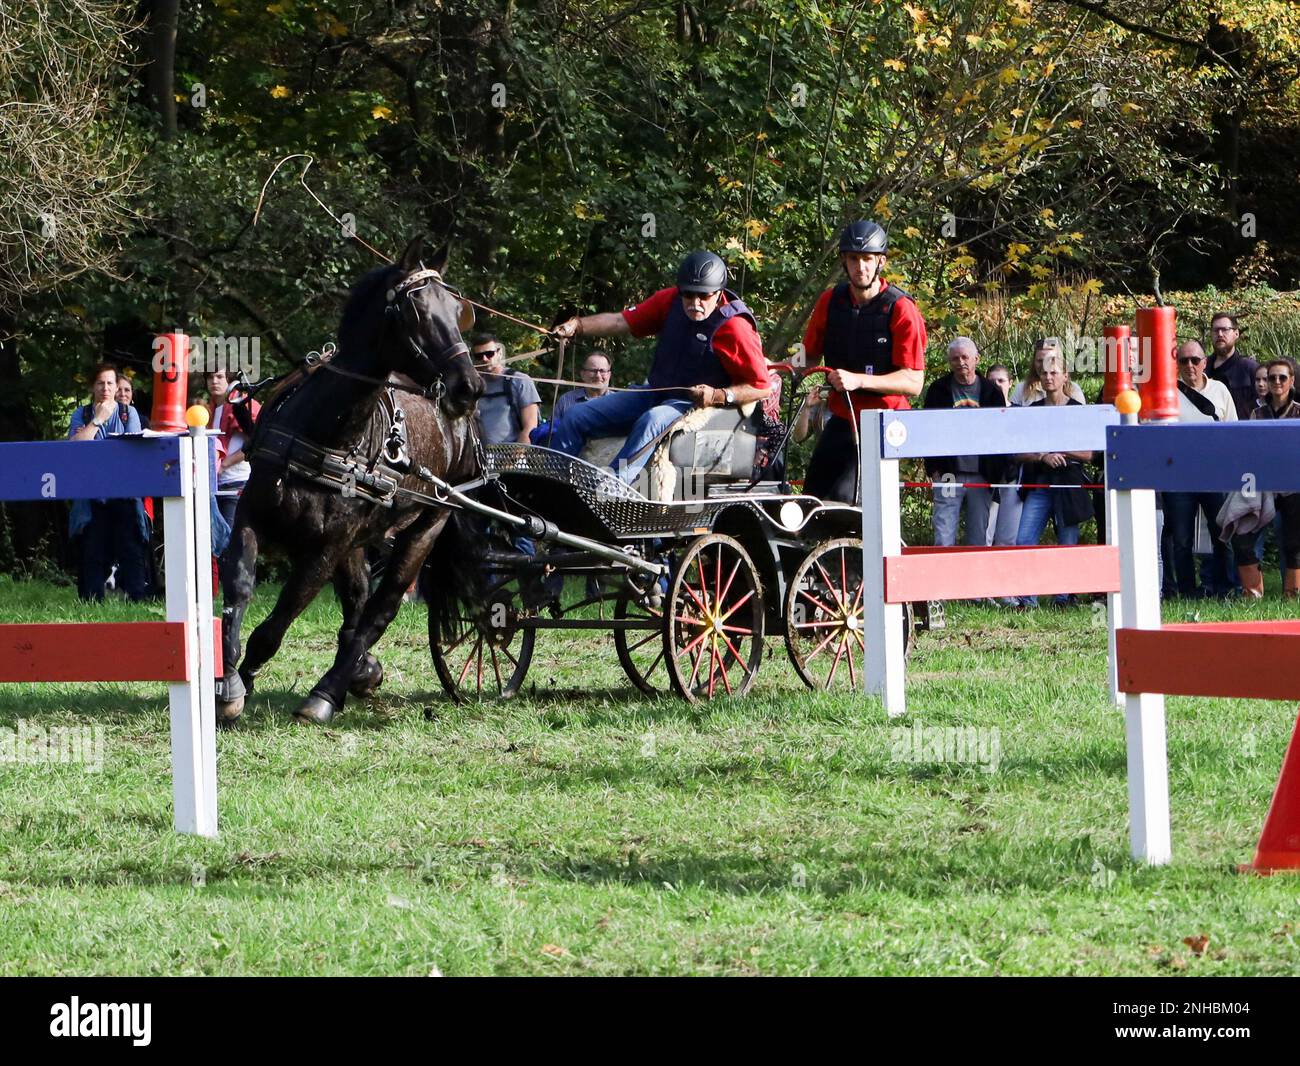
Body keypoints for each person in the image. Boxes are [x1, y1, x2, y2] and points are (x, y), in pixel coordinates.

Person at [550, 251, 771, 485]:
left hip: (691, 406)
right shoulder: (669, 301)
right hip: (653, 393)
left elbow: (761, 387)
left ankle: (611, 487)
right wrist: (579, 325)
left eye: (703, 296)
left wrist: (719, 395)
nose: (695, 303)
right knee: (575, 416)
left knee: (652, 420)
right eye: (688, 294)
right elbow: (620, 321)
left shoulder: (736, 328)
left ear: (718, 293)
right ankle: (553, 482)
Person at [798, 220, 926, 503]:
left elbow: (914, 381)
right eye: (854, 259)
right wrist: (772, 367)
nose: (861, 267)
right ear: (844, 261)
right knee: (812, 499)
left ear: (880, 261)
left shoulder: (901, 308)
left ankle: (861, 546)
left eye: (867, 259)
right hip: (842, 416)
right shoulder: (831, 301)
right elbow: (806, 355)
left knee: (846, 499)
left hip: (885, 421)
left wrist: (859, 380)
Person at [1012, 353, 1094, 608]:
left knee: (1067, 542)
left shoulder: (1078, 410)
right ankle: (1028, 598)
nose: (1048, 377)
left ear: (1065, 377)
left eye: (1054, 372)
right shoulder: (1032, 411)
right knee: (1024, 539)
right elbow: (1017, 453)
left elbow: (1090, 454)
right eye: (1044, 373)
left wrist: (1063, 452)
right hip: (1039, 485)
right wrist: (1042, 456)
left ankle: (1065, 597)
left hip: (1068, 486)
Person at [66, 363, 150, 601]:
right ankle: (91, 603)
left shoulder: (129, 413)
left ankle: (138, 601)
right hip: (91, 495)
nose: (105, 388)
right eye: (100, 383)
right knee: (92, 551)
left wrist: (89, 440)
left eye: (110, 383)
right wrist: (98, 420)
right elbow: (73, 449)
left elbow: (130, 452)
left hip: (123, 493)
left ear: (116, 386)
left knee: (130, 550)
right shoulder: (81, 414)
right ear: (93, 386)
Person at [1164, 340, 1237, 599]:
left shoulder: (1220, 390)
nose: (1190, 366)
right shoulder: (1167, 394)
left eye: (1195, 360)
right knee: (1180, 539)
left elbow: (1233, 431)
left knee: (1222, 535)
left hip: (1214, 475)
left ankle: (1225, 588)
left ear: (1205, 362)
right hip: (1178, 477)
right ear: (1177, 364)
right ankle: (1186, 591)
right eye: (1183, 361)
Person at [922, 337, 1007, 547]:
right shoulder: (938, 390)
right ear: (949, 362)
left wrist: (997, 472)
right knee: (944, 529)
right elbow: (927, 430)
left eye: (965, 357)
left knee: (978, 533)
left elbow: (1001, 433)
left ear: (976, 359)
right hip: (949, 472)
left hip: (982, 474)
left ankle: (974, 577)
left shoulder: (991, 391)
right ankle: (944, 575)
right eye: (955, 359)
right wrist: (933, 469)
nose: (961, 362)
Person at [1232, 359, 1300, 598]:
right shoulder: (1257, 413)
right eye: (1272, 378)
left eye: (1282, 377)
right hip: (1260, 487)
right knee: (1241, 536)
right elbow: (1250, 451)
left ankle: (1293, 595)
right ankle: (1252, 594)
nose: (1277, 382)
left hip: (1293, 487)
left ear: (1291, 381)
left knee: (1294, 544)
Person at [208, 367, 262, 531]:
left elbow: (254, 443)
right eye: (210, 377)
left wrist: (223, 465)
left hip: (238, 482)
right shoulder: (211, 410)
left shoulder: (242, 405)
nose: (214, 381)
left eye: (219, 377)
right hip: (216, 484)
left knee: (229, 540)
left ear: (229, 380)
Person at [470, 335, 541, 445]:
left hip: (510, 454)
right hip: (478, 455)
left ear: (499, 353)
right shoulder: (473, 385)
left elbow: (530, 427)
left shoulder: (520, 381)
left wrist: (515, 457)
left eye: (489, 354)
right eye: (479, 356)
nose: (484, 359)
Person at [1206, 313, 1259, 422]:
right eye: (1215, 330)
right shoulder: (1202, 368)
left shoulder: (1250, 369)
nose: (1220, 334)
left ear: (1236, 333)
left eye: (1225, 329)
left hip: (1243, 433)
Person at [552, 350, 612, 423]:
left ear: (609, 375)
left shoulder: (619, 402)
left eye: (602, 371)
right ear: (582, 374)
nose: (598, 376)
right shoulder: (566, 400)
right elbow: (550, 430)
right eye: (593, 371)